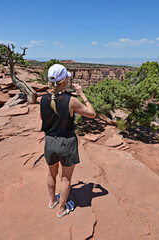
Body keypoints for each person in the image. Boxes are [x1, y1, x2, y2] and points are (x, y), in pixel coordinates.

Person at [40, 64, 96, 218]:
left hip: (50, 142)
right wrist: (82, 95)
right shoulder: (71, 101)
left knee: (51, 174)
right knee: (65, 178)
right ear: (64, 80)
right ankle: (62, 209)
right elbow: (92, 114)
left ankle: (52, 201)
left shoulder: (43, 99)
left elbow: (43, 119)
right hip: (67, 143)